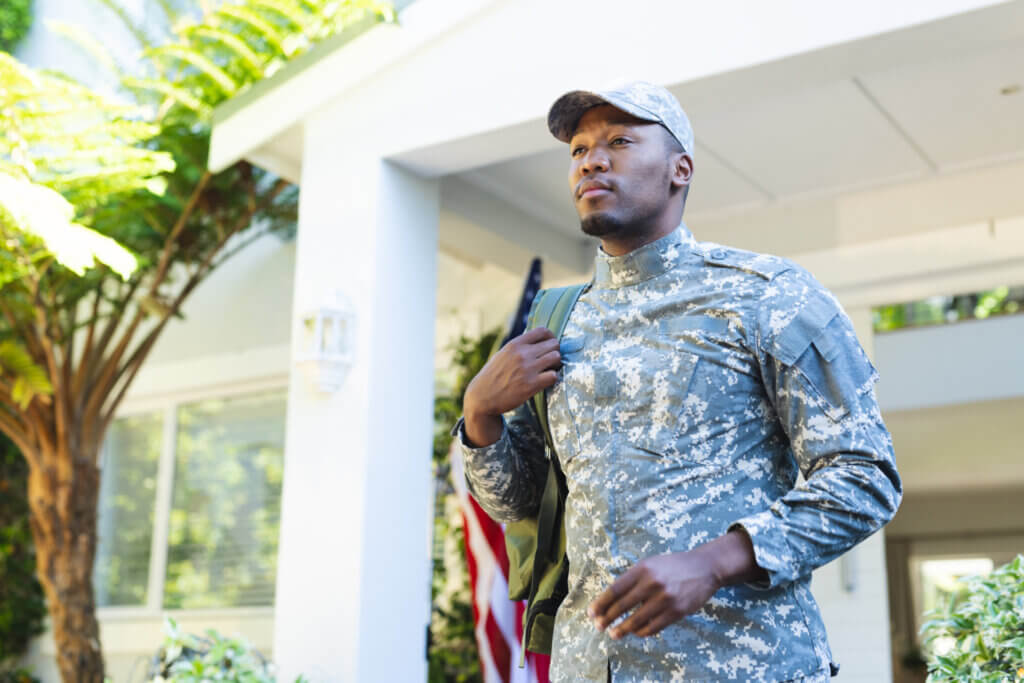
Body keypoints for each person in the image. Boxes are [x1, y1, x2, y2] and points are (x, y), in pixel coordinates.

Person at [452, 81, 902, 682]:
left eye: (619, 141)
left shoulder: (767, 294)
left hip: (745, 665)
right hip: (589, 665)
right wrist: (480, 417)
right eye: (578, 149)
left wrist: (716, 562)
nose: (592, 159)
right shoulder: (557, 320)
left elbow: (865, 475)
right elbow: (523, 502)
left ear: (679, 170)